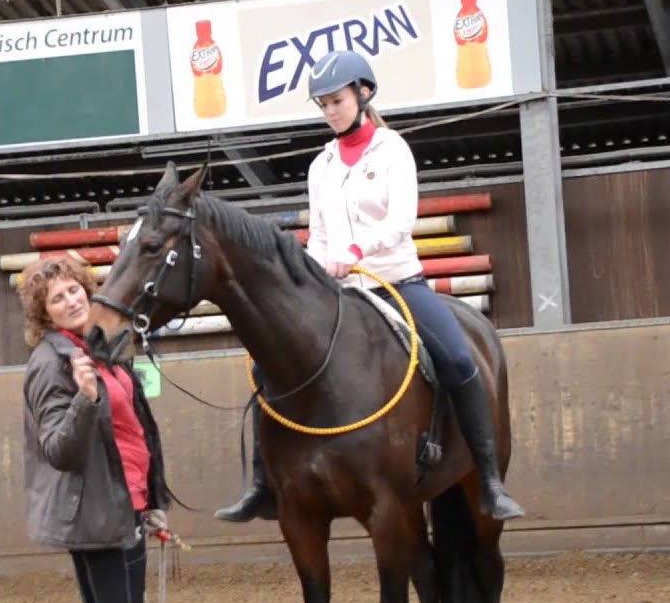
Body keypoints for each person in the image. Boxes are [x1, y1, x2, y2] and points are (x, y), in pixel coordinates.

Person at [213, 49, 525, 523]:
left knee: (460, 359)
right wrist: (312, 270)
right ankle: (261, 485)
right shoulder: (321, 165)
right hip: (339, 289)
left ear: (364, 93)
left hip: (396, 282)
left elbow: (402, 220)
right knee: (265, 365)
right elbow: (318, 234)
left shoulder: (392, 149)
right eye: (322, 104)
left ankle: (488, 480)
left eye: (336, 100)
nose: (329, 111)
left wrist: (356, 253)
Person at [18, 255, 173, 603]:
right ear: (43, 313)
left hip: (124, 506)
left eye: (73, 290)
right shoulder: (51, 363)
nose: (70, 301)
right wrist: (84, 398)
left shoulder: (99, 347)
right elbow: (58, 451)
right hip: (96, 514)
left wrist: (154, 501)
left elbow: (137, 430)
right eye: (56, 298)